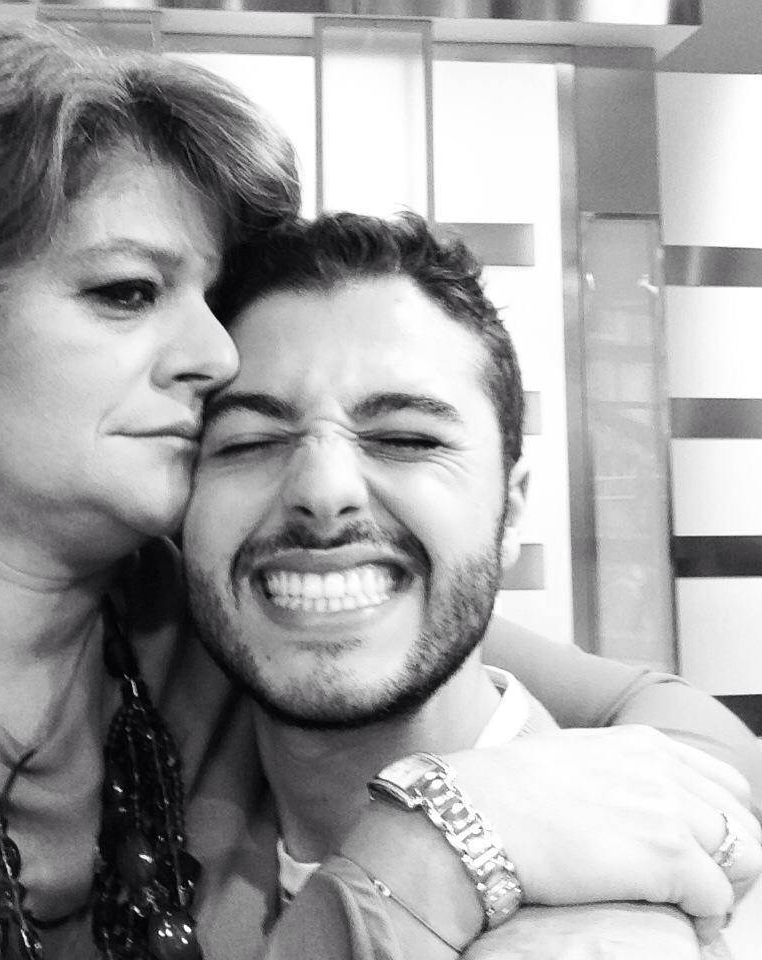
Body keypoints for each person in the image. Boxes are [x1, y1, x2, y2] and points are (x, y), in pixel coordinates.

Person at [0, 22, 759, 960]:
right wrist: (430, 853)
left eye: (211, 302)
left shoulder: (203, 606)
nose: (217, 355)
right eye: (128, 292)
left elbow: (669, 728)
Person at [181, 211, 762, 959]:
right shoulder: (154, 814)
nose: (322, 491)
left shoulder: (645, 922)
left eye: (407, 439)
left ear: (511, 509)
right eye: (250, 442)